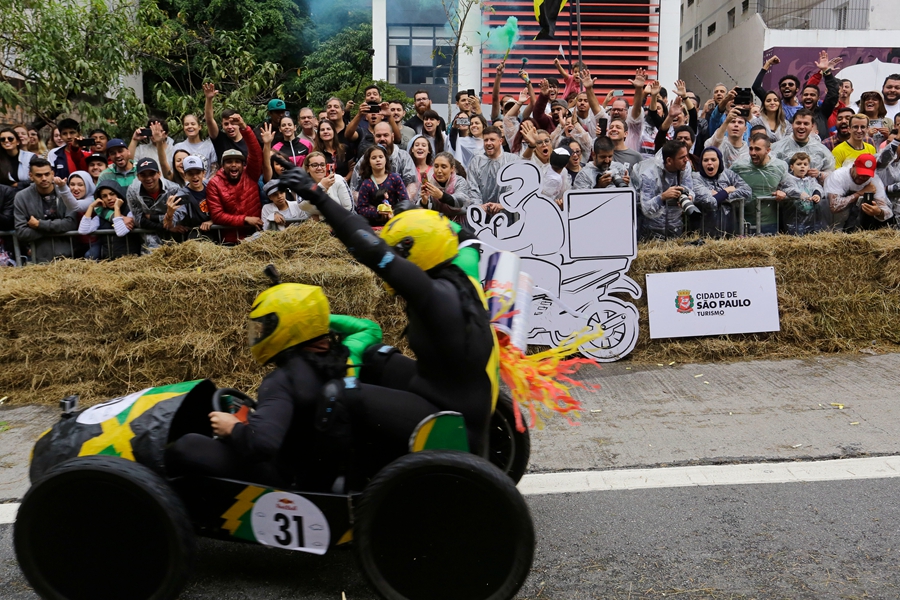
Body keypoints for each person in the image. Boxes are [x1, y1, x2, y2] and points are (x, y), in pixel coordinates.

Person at [279, 171, 501, 459]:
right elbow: (465, 236)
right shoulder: (461, 266)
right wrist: (416, 217)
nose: (395, 258)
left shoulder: (433, 296)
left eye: (399, 253)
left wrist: (318, 196)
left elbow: (369, 250)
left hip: (452, 417)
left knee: (338, 395)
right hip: (445, 388)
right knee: (373, 356)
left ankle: (331, 482)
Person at [206, 118, 264, 244]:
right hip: (230, 241)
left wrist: (245, 128)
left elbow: (256, 154)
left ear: (243, 165)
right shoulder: (214, 184)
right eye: (229, 162)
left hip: (256, 236)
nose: (233, 165)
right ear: (222, 165)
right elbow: (217, 215)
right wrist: (245, 219)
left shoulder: (250, 174)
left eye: (237, 161)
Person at [13, 158, 79, 262]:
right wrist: (55, 228)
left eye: (47, 174)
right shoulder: (22, 197)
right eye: (39, 175)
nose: (44, 178)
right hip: (39, 258)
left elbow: (71, 224)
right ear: (31, 176)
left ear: (52, 174)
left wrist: (39, 225)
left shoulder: (65, 192)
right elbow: (22, 232)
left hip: (70, 256)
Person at [639, 140, 708, 239]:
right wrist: (663, 197)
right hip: (652, 230)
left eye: (686, 156)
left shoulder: (685, 167)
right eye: (682, 157)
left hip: (676, 227)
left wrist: (688, 196)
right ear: (669, 160)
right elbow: (646, 208)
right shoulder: (649, 175)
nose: (686, 160)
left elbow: (690, 189)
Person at [731, 133, 790, 234]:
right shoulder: (739, 167)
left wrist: (784, 192)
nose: (753, 153)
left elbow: (789, 186)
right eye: (751, 149)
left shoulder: (780, 167)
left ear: (768, 150)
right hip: (743, 223)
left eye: (757, 149)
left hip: (770, 223)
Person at [693, 146, 752, 236]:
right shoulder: (696, 178)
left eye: (713, 160)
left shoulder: (728, 175)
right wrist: (726, 190)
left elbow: (747, 192)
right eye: (705, 160)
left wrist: (723, 197)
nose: (709, 163)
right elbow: (709, 202)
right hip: (704, 232)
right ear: (701, 163)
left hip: (729, 230)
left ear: (719, 161)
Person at [349, 122, 417, 198]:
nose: (382, 139)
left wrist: (402, 203)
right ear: (374, 137)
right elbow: (355, 189)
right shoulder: (366, 158)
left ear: (392, 136)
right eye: (378, 136)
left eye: (385, 135)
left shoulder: (403, 157)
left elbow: (412, 184)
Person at [825, 153, 891, 231]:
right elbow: (834, 207)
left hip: (858, 223)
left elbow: (888, 212)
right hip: (831, 224)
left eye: (867, 175)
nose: (862, 177)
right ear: (853, 166)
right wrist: (859, 193)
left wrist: (878, 212)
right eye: (860, 173)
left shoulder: (874, 182)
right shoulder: (838, 176)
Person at [78, 180, 141, 259]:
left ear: (119, 194)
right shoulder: (101, 216)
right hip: (108, 261)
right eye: (104, 196)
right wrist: (91, 207)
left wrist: (117, 208)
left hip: (129, 259)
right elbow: (83, 230)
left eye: (112, 194)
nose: (109, 198)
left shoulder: (130, 212)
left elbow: (120, 232)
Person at [466, 126, 521, 216]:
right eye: (486, 140)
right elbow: (472, 188)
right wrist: (479, 207)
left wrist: (503, 205)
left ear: (500, 141)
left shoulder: (512, 160)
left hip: (508, 215)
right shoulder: (476, 162)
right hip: (482, 217)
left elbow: (517, 187)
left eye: (492, 140)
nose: (488, 143)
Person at [127, 158, 181, 249]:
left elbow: (179, 216)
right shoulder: (132, 191)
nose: (148, 178)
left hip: (175, 235)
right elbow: (138, 220)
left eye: (152, 174)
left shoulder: (173, 189)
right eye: (143, 175)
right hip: (149, 237)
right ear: (138, 176)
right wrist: (165, 225)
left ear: (159, 174)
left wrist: (151, 217)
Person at [770, 109, 835, 185]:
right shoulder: (778, 148)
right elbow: (769, 172)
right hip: (785, 191)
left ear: (812, 127)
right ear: (792, 125)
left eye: (806, 124)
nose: (801, 126)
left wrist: (820, 174)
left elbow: (832, 174)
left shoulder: (822, 149)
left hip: (814, 191)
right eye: (798, 123)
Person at [355, 145, 409, 226]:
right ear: (369, 162)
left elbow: (405, 201)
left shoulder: (395, 178)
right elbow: (361, 208)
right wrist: (377, 212)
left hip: (395, 220)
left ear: (386, 160)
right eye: (374, 158)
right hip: (374, 223)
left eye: (381, 157)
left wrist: (393, 212)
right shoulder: (366, 183)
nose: (378, 160)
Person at [777, 152, 826, 234]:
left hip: (812, 218)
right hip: (794, 219)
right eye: (799, 164)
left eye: (805, 164)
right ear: (792, 167)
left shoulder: (811, 179)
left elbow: (817, 187)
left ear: (808, 167)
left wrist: (817, 194)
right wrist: (800, 194)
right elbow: (788, 189)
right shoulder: (788, 179)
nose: (802, 166)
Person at [418, 151, 472, 225]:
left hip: (459, 223)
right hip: (436, 224)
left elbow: (461, 200)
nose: (439, 171)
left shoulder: (459, 181)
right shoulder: (429, 182)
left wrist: (441, 196)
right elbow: (422, 209)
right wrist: (424, 201)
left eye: (443, 167)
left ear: (452, 168)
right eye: (436, 166)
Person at [163, 155, 212, 235]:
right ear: (185, 175)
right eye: (190, 173)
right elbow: (169, 225)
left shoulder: (211, 185)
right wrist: (169, 214)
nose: (195, 176)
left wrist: (212, 221)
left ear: (203, 173)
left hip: (219, 232)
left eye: (198, 172)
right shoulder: (182, 195)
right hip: (197, 236)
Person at [204, 83, 249, 162]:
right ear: (222, 125)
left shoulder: (249, 140)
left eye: (233, 123)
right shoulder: (220, 139)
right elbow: (209, 120)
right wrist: (209, 99)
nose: (230, 127)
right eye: (226, 124)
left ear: (239, 124)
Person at [301, 151, 353, 219]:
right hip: (313, 224)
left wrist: (320, 218)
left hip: (339, 222)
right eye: (314, 165)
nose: (319, 168)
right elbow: (303, 206)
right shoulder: (303, 184)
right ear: (307, 169)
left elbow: (349, 208)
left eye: (322, 165)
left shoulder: (338, 179)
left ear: (326, 166)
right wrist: (321, 187)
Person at [752, 55, 802, 121]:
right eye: (783, 85)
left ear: (797, 89)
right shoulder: (774, 105)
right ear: (780, 89)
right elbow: (756, 87)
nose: (787, 86)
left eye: (790, 84)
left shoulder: (803, 109)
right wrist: (768, 63)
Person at [876, 136, 900, 217]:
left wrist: (887, 188)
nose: (889, 147)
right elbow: (885, 158)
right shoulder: (879, 160)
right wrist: (896, 141)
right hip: (881, 208)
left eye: (896, 144)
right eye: (888, 143)